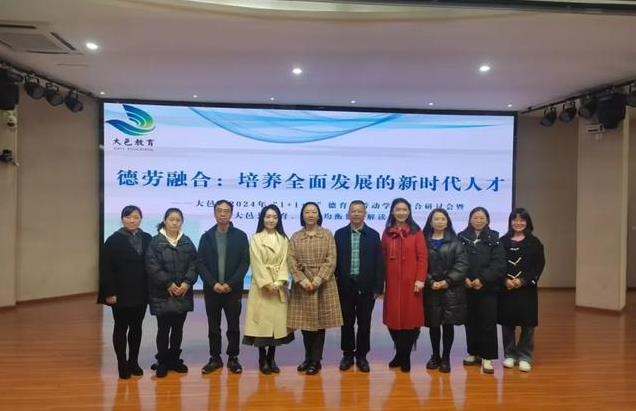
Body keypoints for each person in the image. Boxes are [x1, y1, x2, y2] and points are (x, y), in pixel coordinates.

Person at [287, 202, 343, 375]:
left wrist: (318, 279)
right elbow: (291, 260)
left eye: (314, 212)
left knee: (319, 324)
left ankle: (316, 361)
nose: (310, 215)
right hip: (302, 286)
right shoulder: (296, 236)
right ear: (302, 215)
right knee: (305, 324)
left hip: (323, 285)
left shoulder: (327, 234)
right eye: (307, 212)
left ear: (318, 215)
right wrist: (302, 280)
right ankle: (308, 358)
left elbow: (331, 259)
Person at [98, 205, 152, 379]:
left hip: (141, 292)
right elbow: (106, 269)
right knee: (121, 327)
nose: (132, 220)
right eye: (128, 217)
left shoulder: (147, 238)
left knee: (136, 328)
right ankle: (122, 363)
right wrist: (109, 292)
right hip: (120, 293)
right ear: (122, 219)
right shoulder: (113, 240)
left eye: (136, 217)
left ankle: (133, 362)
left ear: (141, 219)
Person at [198, 200, 250, 374]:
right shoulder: (206, 237)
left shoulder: (240, 236)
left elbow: (244, 263)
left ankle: (233, 357)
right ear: (214, 213)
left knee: (233, 326)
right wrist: (213, 283)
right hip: (212, 290)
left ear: (231, 214)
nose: (222, 214)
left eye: (226, 211)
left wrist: (230, 283)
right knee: (213, 327)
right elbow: (200, 263)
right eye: (219, 211)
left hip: (232, 290)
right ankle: (215, 358)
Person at [145, 208, 198, 378]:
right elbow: (152, 266)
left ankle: (175, 360)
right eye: (171, 219)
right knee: (163, 329)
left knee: (178, 329)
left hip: (183, 292)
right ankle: (162, 361)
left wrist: (187, 283)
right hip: (162, 294)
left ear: (181, 222)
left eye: (178, 220)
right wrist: (168, 283)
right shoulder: (155, 242)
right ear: (165, 221)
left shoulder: (187, 242)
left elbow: (194, 264)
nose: (175, 223)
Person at [242, 205, 294, 374]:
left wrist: (279, 282)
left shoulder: (284, 239)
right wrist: (267, 283)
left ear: (279, 220)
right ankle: (262, 358)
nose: (271, 220)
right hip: (262, 287)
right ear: (262, 219)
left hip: (279, 287)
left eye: (275, 217)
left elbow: (286, 262)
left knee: (276, 327)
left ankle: (272, 358)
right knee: (261, 326)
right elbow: (256, 262)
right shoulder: (256, 238)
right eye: (268, 216)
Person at [335, 200, 384, 373]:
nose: (356, 214)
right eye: (353, 211)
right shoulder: (339, 234)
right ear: (348, 213)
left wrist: (378, 288)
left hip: (367, 288)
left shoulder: (373, 235)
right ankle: (347, 355)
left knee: (364, 324)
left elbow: (379, 263)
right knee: (346, 323)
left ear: (365, 214)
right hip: (345, 287)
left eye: (359, 211)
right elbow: (335, 262)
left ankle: (362, 356)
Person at [458, 207, 506, 374]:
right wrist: (464, 278)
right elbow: (458, 260)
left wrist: (482, 279)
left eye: (482, 218)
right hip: (467, 287)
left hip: (488, 288)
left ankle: (487, 357)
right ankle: (473, 352)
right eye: (475, 217)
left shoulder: (495, 238)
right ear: (470, 219)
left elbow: (499, 264)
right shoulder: (461, 237)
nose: (478, 221)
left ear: (487, 220)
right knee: (470, 321)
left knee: (487, 322)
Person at [382, 198, 427, 373]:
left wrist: (420, 279)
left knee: (410, 321)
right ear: (392, 212)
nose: (401, 212)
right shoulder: (387, 233)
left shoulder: (416, 232)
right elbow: (382, 258)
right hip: (392, 283)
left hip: (412, 283)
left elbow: (422, 257)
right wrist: (381, 282)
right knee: (392, 321)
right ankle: (400, 353)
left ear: (409, 212)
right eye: (398, 209)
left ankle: (405, 356)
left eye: (404, 209)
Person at [498, 208, 545, 373]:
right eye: (515, 220)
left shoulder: (535, 242)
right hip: (506, 288)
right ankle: (510, 354)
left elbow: (539, 265)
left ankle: (525, 356)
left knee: (528, 324)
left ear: (527, 222)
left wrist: (522, 281)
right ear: (510, 222)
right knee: (507, 323)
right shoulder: (502, 241)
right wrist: (504, 280)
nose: (518, 223)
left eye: (522, 220)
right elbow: (497, 264)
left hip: (527, 289)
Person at [423, 208, 469, 373]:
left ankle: (446, 357)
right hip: (431, 290)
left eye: (443, 219)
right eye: (436, 219)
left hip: (451, 290)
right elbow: (419, 264)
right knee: (434, 325)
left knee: (448, 325)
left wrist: (447, 281)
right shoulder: (423, 241)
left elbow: (462, 264)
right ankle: (435, 356)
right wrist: (430, 281)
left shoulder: (456, 242)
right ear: (430, 222)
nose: (440, 222)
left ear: (447, 222)